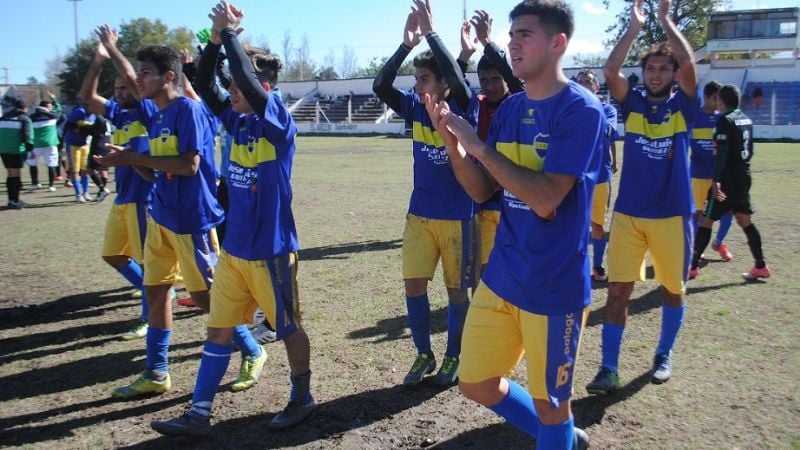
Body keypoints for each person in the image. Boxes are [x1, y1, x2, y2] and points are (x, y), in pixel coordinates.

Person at [425, 1, 603, 447]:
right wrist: (454, 145)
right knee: (475, 382)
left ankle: (557, 433)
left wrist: (480, 148)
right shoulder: (509, 109)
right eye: (511, 35)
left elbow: (545, 200)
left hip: (554, 286)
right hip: (503, 275)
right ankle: (561, 437)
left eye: (524, 34)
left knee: (552, 404)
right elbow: (483, 190)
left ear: (558, 42)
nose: (512, 43)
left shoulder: (581, 110)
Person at [151, 2, 313, 436]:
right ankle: (199, 413)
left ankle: (302, 396)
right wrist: (216, 42)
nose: (230, 92)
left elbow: (248, 87)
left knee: (288, 328)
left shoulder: (276, 119)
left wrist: (233, 37)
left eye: (238, 86)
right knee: (219, 330)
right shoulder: (235, 119)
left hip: (271, 252)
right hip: (235, 252)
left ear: (259, 85)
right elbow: (204, 82)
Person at [95, 40, 261, 399]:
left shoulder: (188, 111)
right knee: (155, 294)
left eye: (145, 73)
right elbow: (155, 174)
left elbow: (189, 165)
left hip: (192, 221)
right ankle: (156, 373)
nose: (138, 80)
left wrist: (131, 160)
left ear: (168, 76)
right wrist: (129, 158)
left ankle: (252, 350)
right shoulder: (155, 115)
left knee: (206, 300)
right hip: (161, 218)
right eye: (138, 73)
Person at [586, 0, 698, 395]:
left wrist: (666, 20)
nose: (655, 74)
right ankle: (608, 368)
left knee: (671, 290)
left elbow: (689, 67)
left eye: (663, 68)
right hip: (630, 214)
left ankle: (663, 355)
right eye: (650, 68)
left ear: (674, 73)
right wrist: (633, 28)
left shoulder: (684, 104)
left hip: (671, 214)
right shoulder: (631, 101)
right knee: (618, 291)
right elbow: (611, 71)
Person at [373, 0, 479, 387]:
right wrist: (406, 44)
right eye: (416, 78)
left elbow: (459, 78)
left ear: (444, 83)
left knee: (456, 292)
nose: (416, 86)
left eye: (423, 79)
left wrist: (434, 35)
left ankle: (453, 355)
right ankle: (423, 354)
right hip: (419, 214)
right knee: (414, 285)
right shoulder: (414, 108)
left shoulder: (463, 108)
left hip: (457, 216)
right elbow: (380, 85)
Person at [78, 28, 159, 341]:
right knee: (113, 255)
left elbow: (130, 74)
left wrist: (112, 47)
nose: (119, 92)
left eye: (124, 88)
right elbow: (86, 98)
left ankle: (150, 315)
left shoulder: (146, 109)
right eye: (115, 89)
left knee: (146, 262)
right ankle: (154, 295)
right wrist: (97, 62)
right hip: (122, 199)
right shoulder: (118, 114)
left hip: (143, 198)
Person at [459, 9, 524, 274]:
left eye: (496, 79)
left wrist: (488, 44)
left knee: (516, 265)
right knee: (483, 268)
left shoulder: (518, 102)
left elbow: (515, 81)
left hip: (516, 196)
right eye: (484, 80)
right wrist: (464, 55)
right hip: (483, 196)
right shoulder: (477, 104)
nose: (490, 85)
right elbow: (452, 82)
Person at [689, 84, 770, 281]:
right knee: (744, 220)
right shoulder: (746, 119)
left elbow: (722, 153)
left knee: (706, 220)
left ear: (721, 101)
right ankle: (760, 266)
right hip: (743, 177)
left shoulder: (724, 121)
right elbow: (749, 149)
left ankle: (691, 267)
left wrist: (716, 180)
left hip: (727, 181)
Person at [576, 69, 618, 282]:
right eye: (580, 81)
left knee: (597, 225)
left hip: (599, 177)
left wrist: (614, 160)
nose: (584, 84)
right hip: (575, 178)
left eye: (588, 82)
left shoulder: (608, 110)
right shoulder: (571, 110)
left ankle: (598, 265)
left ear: (596, 86)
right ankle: (578, 265)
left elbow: (608, 134)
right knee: (575, 224)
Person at [689, 81, 734, 261]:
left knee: (728, 211)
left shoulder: (721, 119)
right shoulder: (693, 118)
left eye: (720, 98)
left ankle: (718, 242)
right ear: (706, 97)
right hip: (699, 174)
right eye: (715, 98)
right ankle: (695, 247)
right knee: (698, 213)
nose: (718, 102)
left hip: (719, 175)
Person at [0, 97, 33, 209]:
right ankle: (14, 201)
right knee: (16, 176)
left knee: (10, 175)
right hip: (16, 150)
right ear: (25, 108)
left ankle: (12, 199)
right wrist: (30, 149)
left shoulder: (3, 118)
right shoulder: (23, 118)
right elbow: (27, 135)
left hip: (3, 150)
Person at [27, 93, 62, 192]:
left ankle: (35, 183)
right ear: (47, 107)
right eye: (50, 106)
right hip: (50, 144)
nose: (52, 108)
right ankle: (51, 185)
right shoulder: (53, 116)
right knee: (51, 164)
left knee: (32, 163)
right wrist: (54, 99)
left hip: (35, 144)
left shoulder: (31, 117)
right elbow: (59, 110)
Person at [63, 103, 96, 202]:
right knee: (75, 170)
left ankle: (86, 192)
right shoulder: (80, 111)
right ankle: (78, 194)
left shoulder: (94, 116)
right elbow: (68, 125)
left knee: (85, 169)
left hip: (85, 144)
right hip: (73, 144)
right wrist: (77, 128)